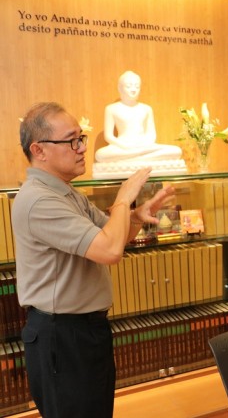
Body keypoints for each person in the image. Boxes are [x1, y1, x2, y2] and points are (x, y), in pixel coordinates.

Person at [12, 102, 175, 418]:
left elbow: (112, 235)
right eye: (72, 140)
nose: (82, 148)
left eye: (82, 137)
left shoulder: (67, 192)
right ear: (39, 150)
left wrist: (136, 217)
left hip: (86, 330)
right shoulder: (39, 200)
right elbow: (110, 251)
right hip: (61, 334)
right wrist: (124, 196)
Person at [95, 70, 182, 163]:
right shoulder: (111, 109)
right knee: (100, 155)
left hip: (144, 146)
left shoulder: (146, 109)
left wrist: (144, 145)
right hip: (123, 146)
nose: (133, 90)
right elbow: (108, 136)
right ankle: (142, 157)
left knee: (176, 151)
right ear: (120, 88)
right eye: (128, 86)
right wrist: (124, 146)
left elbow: (151, 135)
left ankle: (133, 158)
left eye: (137, 86)